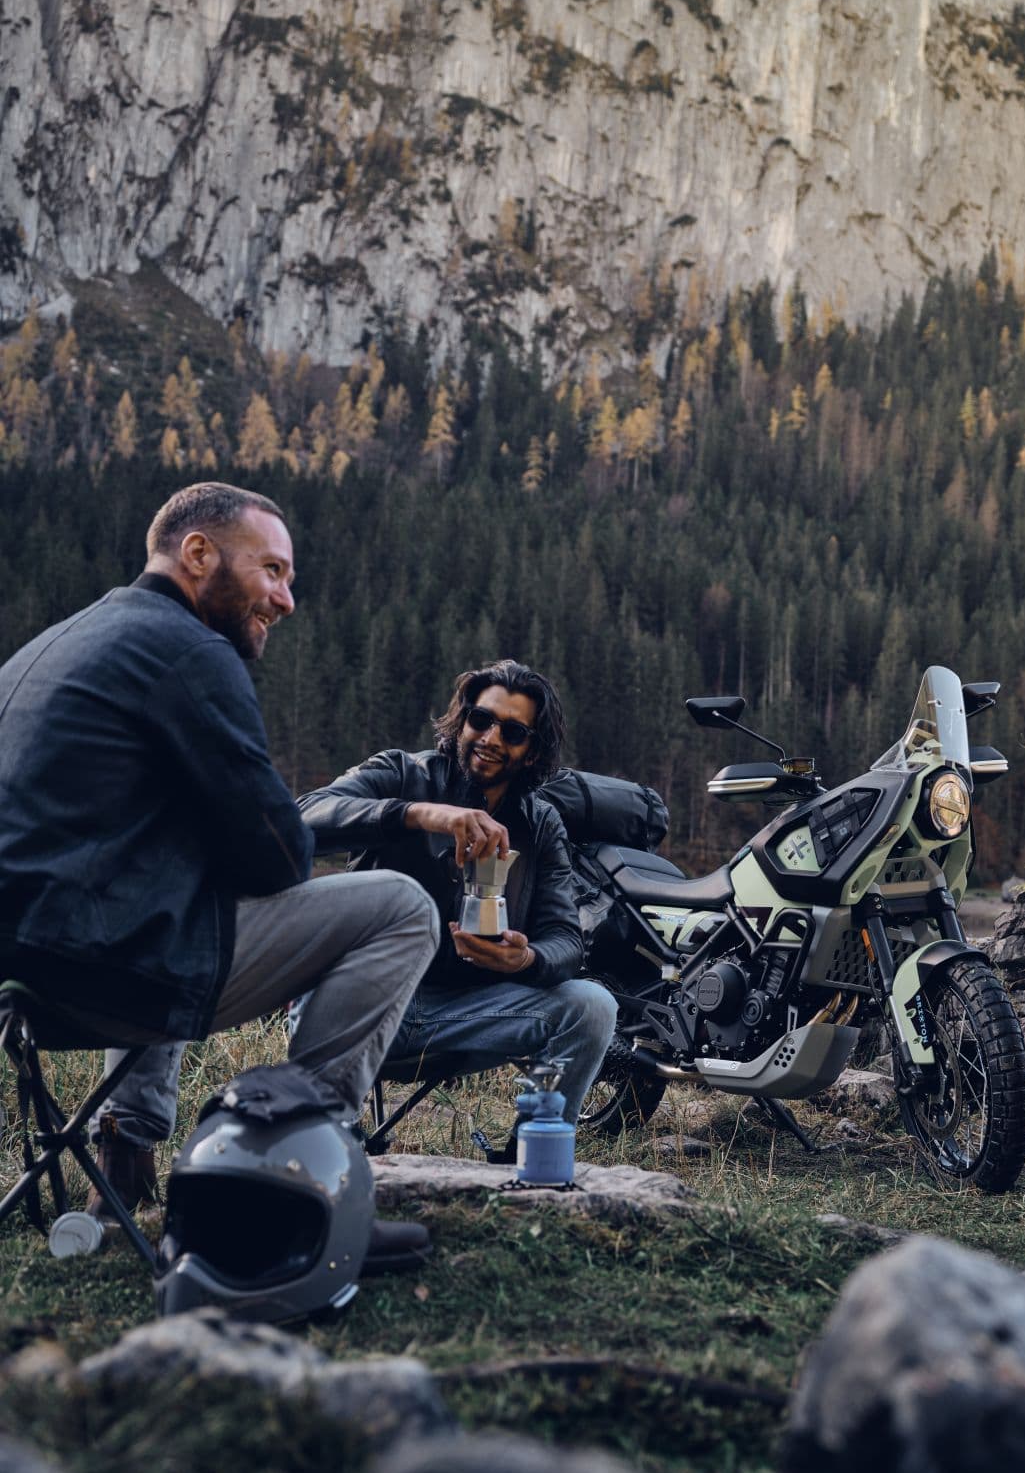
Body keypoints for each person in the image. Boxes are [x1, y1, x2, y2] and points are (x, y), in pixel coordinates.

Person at [0, 482, 437, 1269]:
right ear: (197, 554)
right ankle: (293, 1176)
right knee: (400, 908)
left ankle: (126, 1156)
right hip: (104, 973)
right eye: (273, 570)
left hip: (23, 977)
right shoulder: (189, 652)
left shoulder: (57, 643)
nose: (288, 599)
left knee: (184, 897)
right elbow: (278, 857)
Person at [295, 660, 616, 1128]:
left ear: (531, 751)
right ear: (463, 721)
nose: (490, 739)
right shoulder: (403, 773)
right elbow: (304, 817)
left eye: (512, 732)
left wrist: (525, 961)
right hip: (366, 1003)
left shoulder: (540, 823)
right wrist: (421, 815)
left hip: (468, 1015)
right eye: (481, 720)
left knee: (592, 1005)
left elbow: (566, 939)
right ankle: (323, 1137)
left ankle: (536, 1160)